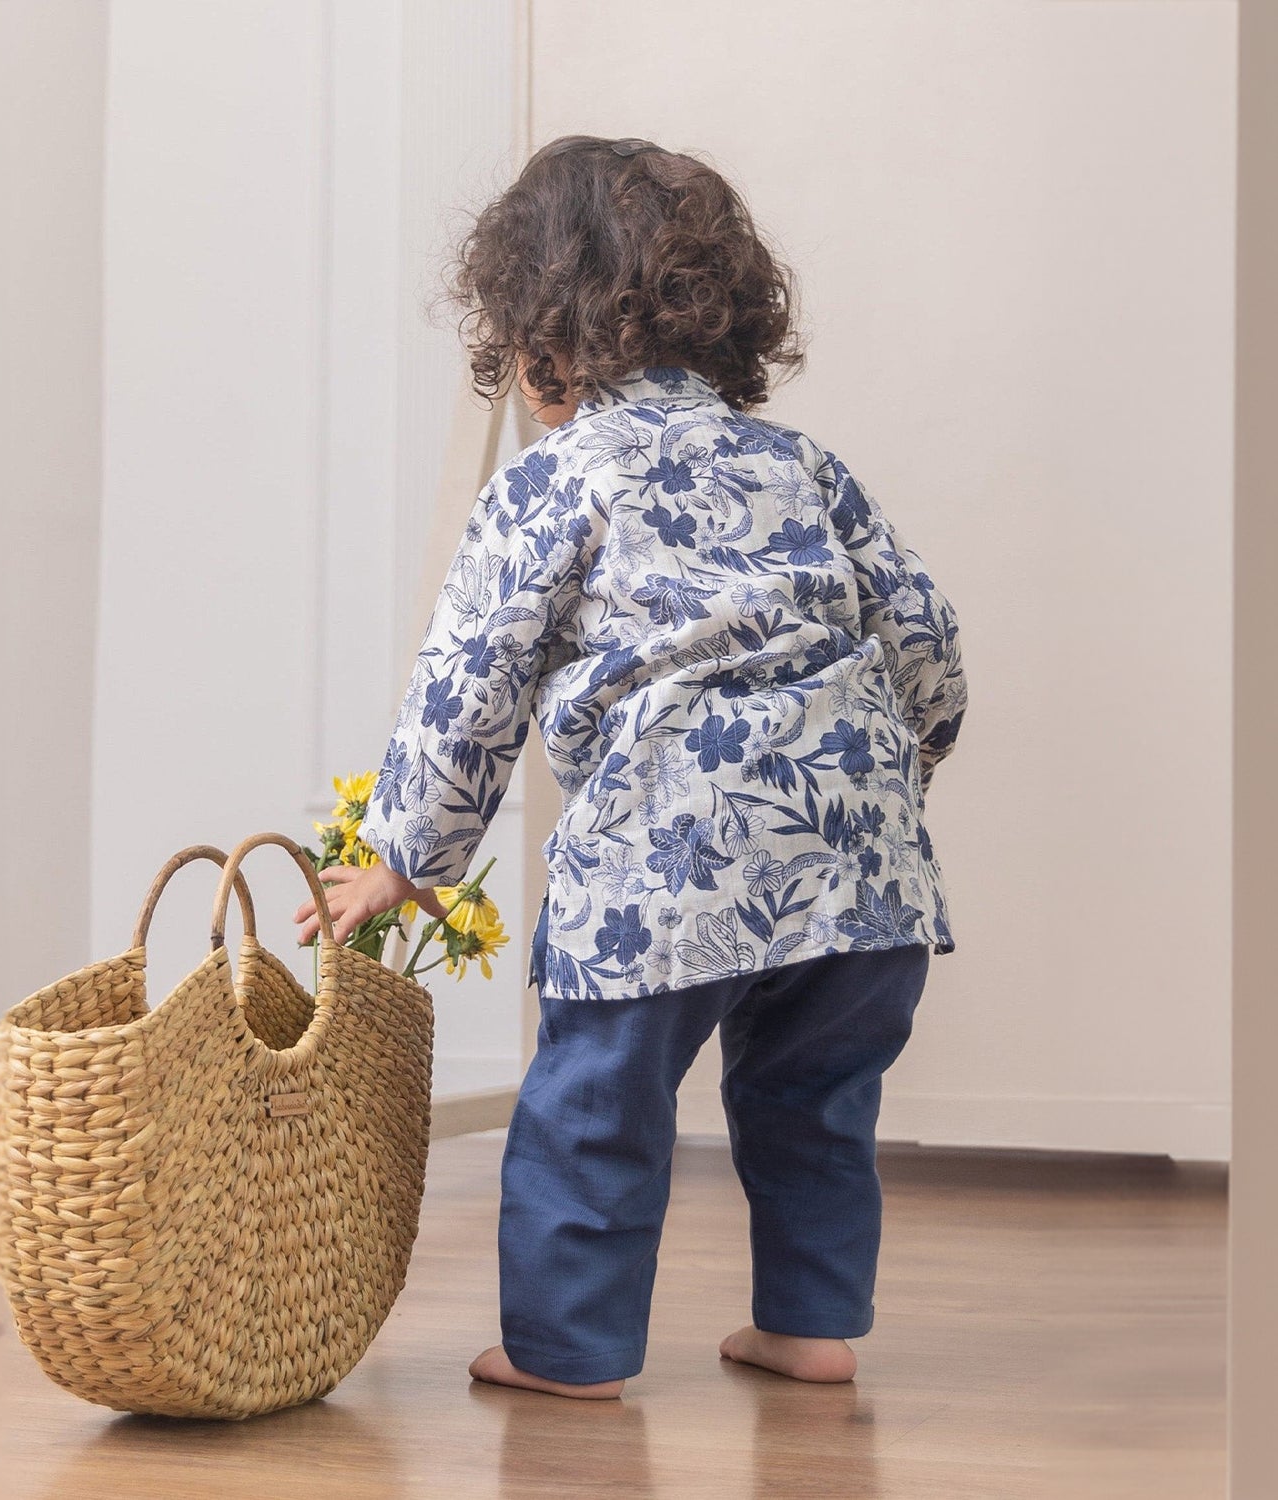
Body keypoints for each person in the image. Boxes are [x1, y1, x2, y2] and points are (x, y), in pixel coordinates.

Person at [292, 135, 967, 1400]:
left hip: (672, 858)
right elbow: (923, 635)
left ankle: (569, 1352)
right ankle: (811, 1330)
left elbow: (468, 682)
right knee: (818, 1097)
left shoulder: (554, 482)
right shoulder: (802, 467)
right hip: (860, 866)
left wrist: (402, 857)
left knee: (596, 1101)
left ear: (538, 344)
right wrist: (903, 763)